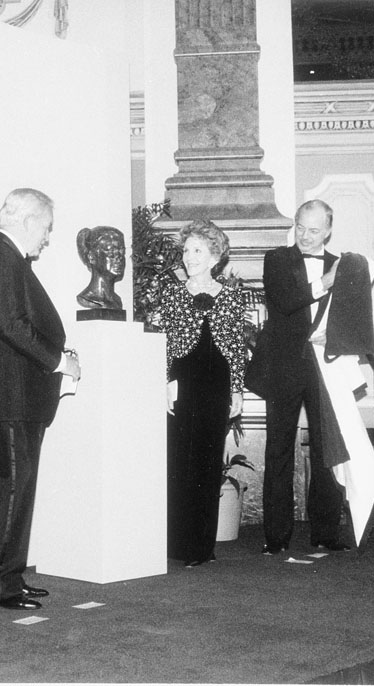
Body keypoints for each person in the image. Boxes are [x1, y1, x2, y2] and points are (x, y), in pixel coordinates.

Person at [0, 188, 81, 610]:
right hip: (6, 395)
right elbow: (11, 326)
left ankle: (8, 575)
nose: (47, 238)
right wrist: (59, 363)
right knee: (10, 487)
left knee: (16, 486)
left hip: (17, 396)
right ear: (28, 221)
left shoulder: (7, 258)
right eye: (46, 228)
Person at [253, 199, 351, 555]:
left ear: (327, 230)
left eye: (314, 230)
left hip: (326, 366)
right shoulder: (277, 260)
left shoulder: (343, 266)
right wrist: (323, 283)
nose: (306, 237)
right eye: (300, 228)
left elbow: (352, 316)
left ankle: (325, 533)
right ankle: (276, 537)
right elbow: (284, 301)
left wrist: (336, 335)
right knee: (278, 449)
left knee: (328, 451)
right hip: (284, 366)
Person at [150, 220, 246, 568]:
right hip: (183, 381)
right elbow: (166, 344)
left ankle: (201, 548)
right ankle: (176, 543)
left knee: (207, 462)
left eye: (197, 251)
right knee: (178, 461)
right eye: (186, 250)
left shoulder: (234, 296)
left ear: (215, 256)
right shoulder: (171, 293)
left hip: (216, 384)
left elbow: (235, 347)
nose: (189, 257)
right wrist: (164, 382)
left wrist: (237, 390)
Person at [75, 225, 126, 310]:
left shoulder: (117, 301)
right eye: (110, 251)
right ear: (91, 257)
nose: (118, 257)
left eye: (121, 250)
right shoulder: (87, 298)